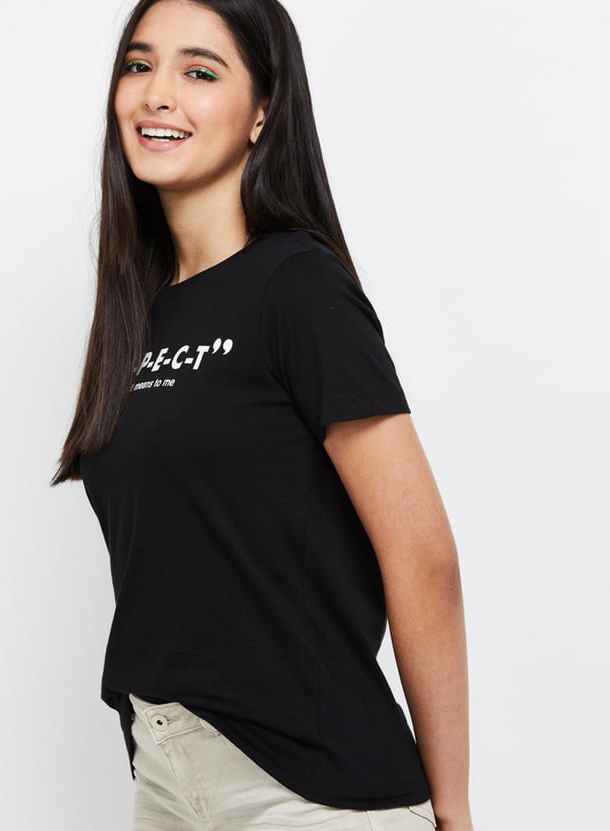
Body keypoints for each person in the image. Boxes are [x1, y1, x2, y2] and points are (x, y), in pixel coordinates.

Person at [53, 1, 473, 829]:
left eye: (198, 71)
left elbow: (423, 559)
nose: (157, 93)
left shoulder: (299, 287)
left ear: (261, 115)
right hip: (166, 782)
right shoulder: (138, 313)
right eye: (138, 64)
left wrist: (453, 811)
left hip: (308, 792)